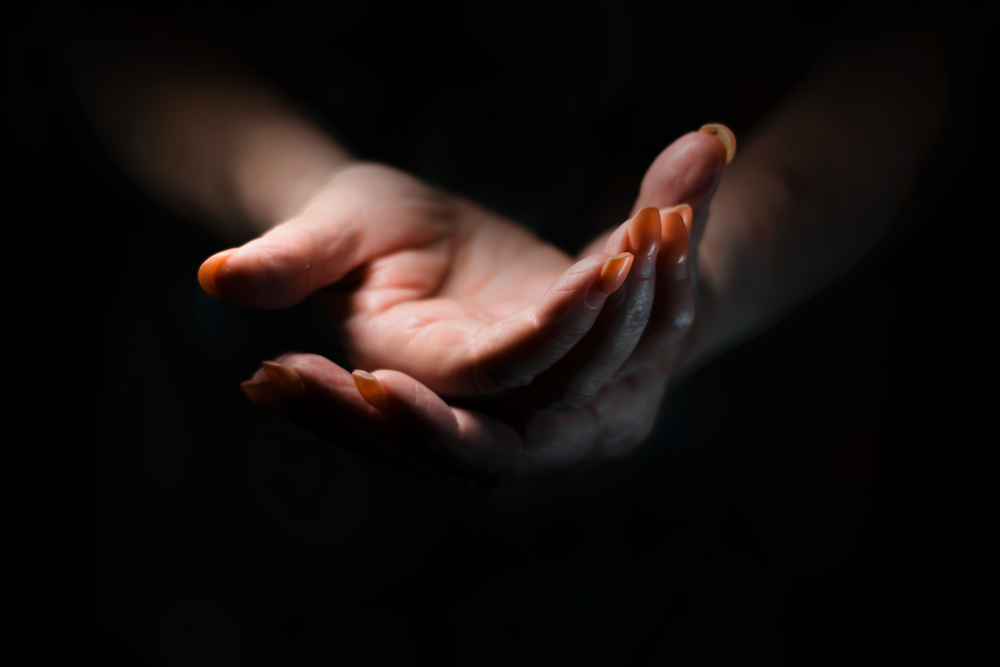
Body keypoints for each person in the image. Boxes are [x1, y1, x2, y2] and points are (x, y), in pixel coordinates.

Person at [67, 10, 949, 485]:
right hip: (233, 472)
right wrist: (295, 188)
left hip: (757, 431)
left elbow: (942, 54)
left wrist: (710, 274)